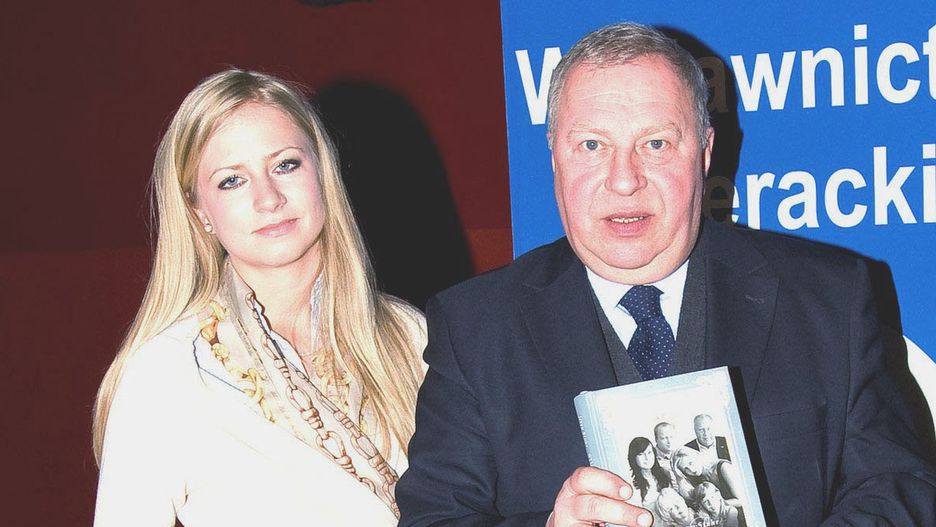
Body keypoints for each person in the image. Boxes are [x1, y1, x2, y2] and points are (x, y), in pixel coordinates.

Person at [396, 21, 936, 527]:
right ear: (555, 158)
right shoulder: (475, 327)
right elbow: (434, 517)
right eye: (592, 145)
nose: (624, 180)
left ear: (704, 153)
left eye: (655, 144)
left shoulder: (830, 298)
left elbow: (897, 487)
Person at [92, 69, 426, 526]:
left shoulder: (409, 334)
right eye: (232, 180)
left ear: (322, 171)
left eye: (285, 165)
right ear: (198, 210)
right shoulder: (166, 370)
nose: (268, 198)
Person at [671, 447, 740, 508]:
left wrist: (715, 505)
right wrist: (680, 478)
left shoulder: (724, 467)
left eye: (690, 463)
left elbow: (741, 501)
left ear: (696, 456)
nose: (691, 470)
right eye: (686, 469)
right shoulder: (698, 480)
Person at [627, 436, 673, 508]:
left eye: (649, 452)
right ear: (634, 458)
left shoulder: (665, 472)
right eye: (641, 454)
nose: (647, 458)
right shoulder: (633, 486)